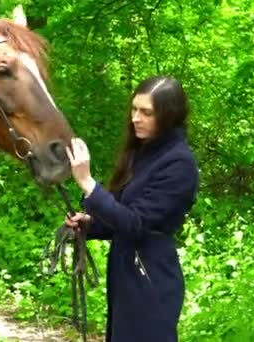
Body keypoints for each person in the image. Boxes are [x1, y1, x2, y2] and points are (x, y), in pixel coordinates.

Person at [64, 75, 199, 342]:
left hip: (151, 281)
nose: (136, 117)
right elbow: (121, 216)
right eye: (134, 109)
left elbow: (136, 224)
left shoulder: (179, 164)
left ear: (169, 116)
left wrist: (88, 184)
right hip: (127, 275)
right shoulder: (142, 153)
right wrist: (89, 223)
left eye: (146, 112)